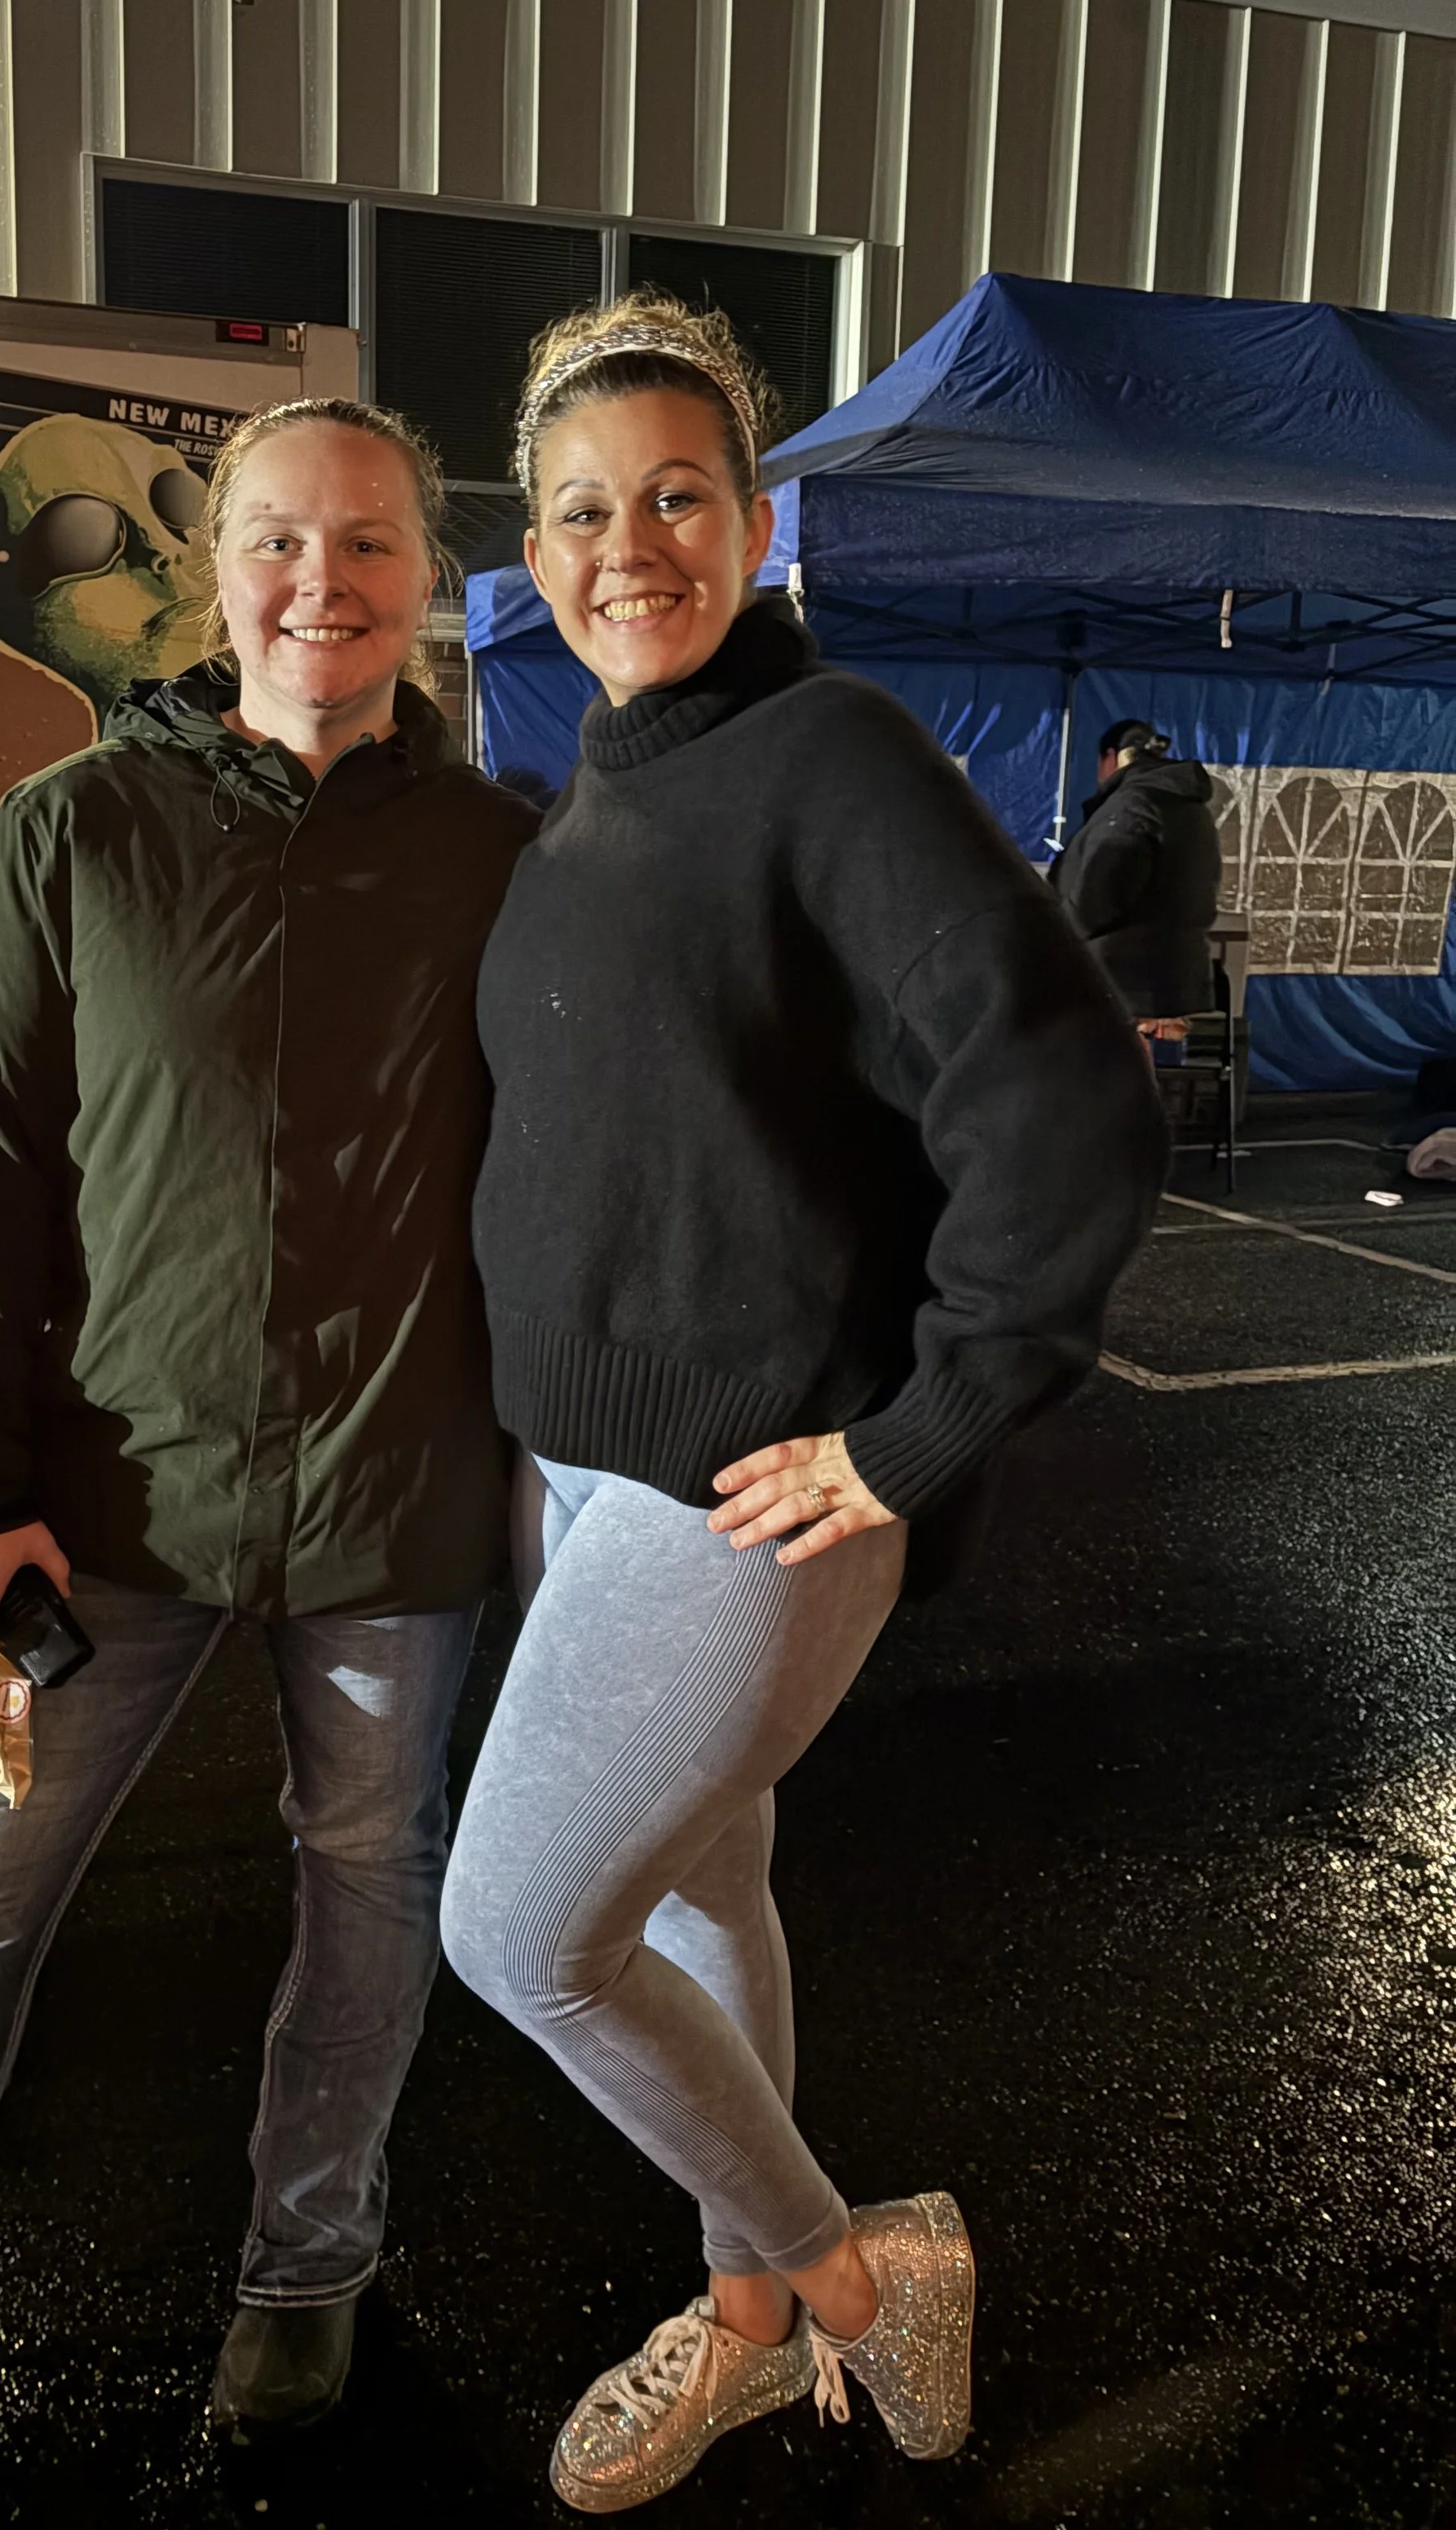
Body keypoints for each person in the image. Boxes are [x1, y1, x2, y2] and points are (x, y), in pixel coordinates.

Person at [0, 400, 536, 2499]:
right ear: (210, 565)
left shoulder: (503, 859)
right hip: (101, 1510)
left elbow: (592, 1168)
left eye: (368, 543)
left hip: (390, 1503)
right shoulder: (69, 831)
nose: (320, 583)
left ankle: (306, 2278)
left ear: (425, 575)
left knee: (364, 1899)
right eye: (275, 539)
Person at [439, 296, 1168, 2512]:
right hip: (579, 1474)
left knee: (518, 1932)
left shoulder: (829, 750)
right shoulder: (602, 791)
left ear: (753, 525)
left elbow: (1059, 1094)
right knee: (687, 1902)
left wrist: (917, 1428)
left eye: (674, 496)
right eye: (578, 509)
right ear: (533, 550)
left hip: (736, 1496)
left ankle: (851, 2271)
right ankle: (749, 2320)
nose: (625, 544)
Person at [1052, 717, 1224, 1035]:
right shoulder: (1191, 808)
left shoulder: (1130, 806)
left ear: (1109, 758)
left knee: (1112, 1077)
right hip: (1176, 984)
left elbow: (1099, 896)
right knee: (1152, 1078)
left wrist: (1061, 934)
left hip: (1122, 985)